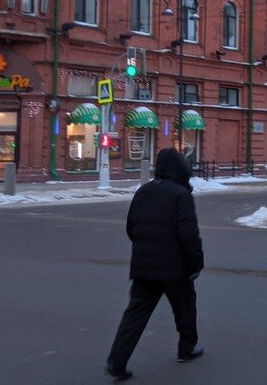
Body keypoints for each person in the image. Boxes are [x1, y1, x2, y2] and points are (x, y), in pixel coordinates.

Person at [106, 148, 205, 381]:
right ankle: (186, 349)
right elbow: (189, 235)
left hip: (144, 267)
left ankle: (117, 361)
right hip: (175, 269)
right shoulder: (181, 194)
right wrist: (195, 265)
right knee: (185, 308)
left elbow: (131, 227)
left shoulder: (143, 191)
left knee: (135, 314)